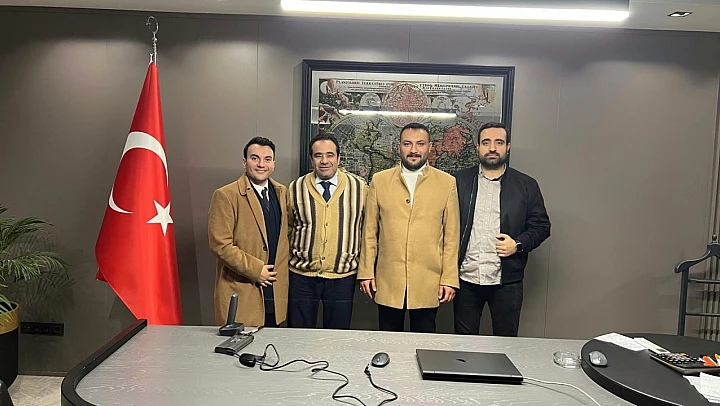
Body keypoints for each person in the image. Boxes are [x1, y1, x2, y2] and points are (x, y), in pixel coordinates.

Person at [358, 122, 460, 333]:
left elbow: (451, 237)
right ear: (399, 147)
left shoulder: (447, 183)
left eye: (420, 144)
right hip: (388, 279)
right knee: (388, 341)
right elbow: (369, 233)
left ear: (430, 147)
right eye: (407, 144)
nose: (414, 150)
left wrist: (449, 279)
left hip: (428, 281)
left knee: (423, 341)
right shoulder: (380, 180)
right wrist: (366, 272)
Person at [454, 122, 551, 337]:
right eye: (486, 142)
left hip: (507, 282)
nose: (492, 148)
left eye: (499, 142)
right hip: (466, 278)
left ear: (508, 147)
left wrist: (517, 244)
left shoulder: (526, 185)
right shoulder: (458, 181)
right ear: (477, 147)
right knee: (463, 344)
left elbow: (542, 226)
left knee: (506, 343)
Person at [287, 133, 368, 329]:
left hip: (342, 277)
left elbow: (368, 232)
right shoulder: (295, 188)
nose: (324, 161)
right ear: (311, 159)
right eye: (318, 155)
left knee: (337, 335)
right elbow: (287, 229)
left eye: (330, 155)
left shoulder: (360, 188)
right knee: (298, 335)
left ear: (338, 158)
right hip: (302, 277)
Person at [208, 137, 289, 328]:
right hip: (243, 290)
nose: (261, 164)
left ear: (274, 163)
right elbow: (220, 245)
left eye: (267, 159)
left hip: (275, 293)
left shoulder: (282, 192)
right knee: (241, 345)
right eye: (255, 158)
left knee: (272, 344)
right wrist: (256, 270)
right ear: (244, 162)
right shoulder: (226, 195)